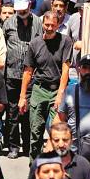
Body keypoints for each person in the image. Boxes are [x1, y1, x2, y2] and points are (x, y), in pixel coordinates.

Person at [18, 11, 73, 160]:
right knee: (36, 130)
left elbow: (65, 69)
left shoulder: (66, 41)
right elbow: (28, 71)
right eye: (47, 25)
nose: (49, 28)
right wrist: (23, 97)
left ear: (58, 26)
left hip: (57, 89)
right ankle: (34, 163)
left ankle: (55, 162)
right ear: (42, 24)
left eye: (53, 25)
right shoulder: (35, 44)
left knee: (56, 130)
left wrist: (61, 93)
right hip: (39, 89)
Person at [2, 0, 42, 160]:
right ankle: (13, 146)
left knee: (29, 113)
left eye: (24, 9)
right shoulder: (8, 23)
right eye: (18, 10)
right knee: (12, 112)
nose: (21, 12)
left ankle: (27, 145)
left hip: (32, 75)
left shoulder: (38, 23)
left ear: (30, 5)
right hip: (12, 74)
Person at [24, 124, 90, 179]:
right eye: (56, 140)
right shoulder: (39, 163)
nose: (61, 145)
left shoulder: (83, 165)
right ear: (51, 141)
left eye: (65, 140)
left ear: (71, 140)